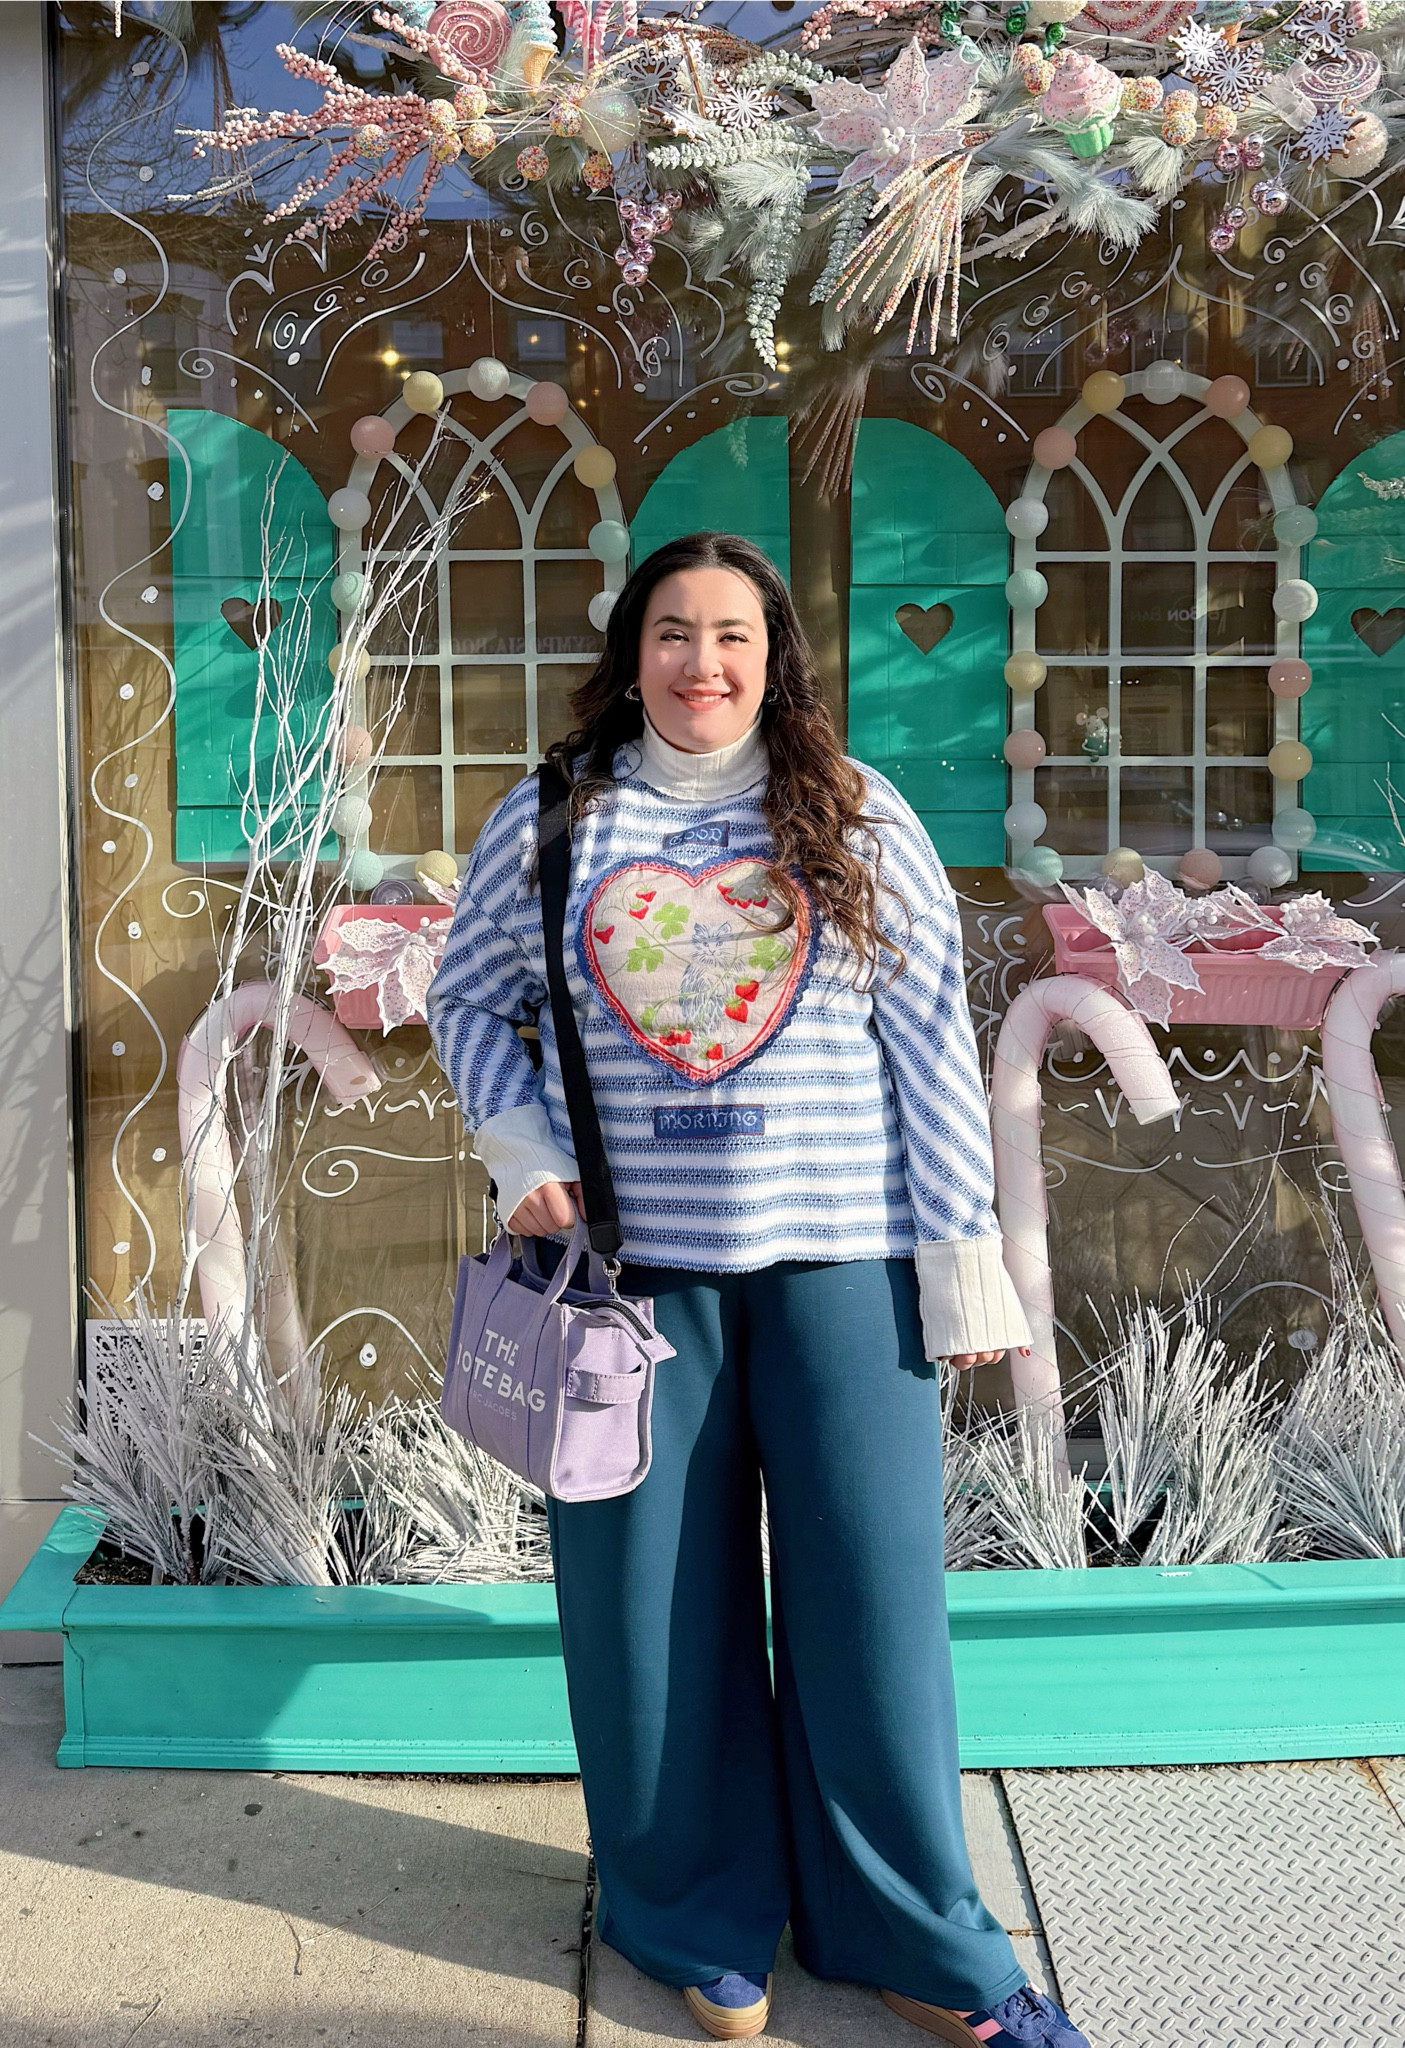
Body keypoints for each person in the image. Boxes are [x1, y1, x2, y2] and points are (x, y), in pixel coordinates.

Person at [427, 531, 1090, 2048]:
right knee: (647, 1616)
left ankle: (915, 1934)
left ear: (775, 654)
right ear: (630, 649)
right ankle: (690, 1910)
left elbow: (928, 1046)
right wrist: (516, 1140)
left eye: (731, 635)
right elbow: (468, 1000)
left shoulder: (859, 816)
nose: (701, 665)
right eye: (672, 633)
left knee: (875, 1607)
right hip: (632, 1289)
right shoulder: (551, 823)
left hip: (843, 1270)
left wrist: (960, 1251)